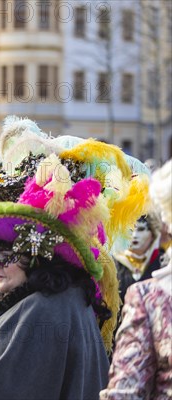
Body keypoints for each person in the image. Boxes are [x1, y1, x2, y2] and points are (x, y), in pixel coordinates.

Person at [0, 116, 152, 399]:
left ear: (37, 254)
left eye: (8, 255)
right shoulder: (65, 299)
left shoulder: (43, 311)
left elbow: (2, 389)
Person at [101, 159, 172, 399]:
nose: (135, 237)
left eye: (141, 230)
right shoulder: (119, 268)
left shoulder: (157, 277)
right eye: (132, 229)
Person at [113, 213, 162, 301]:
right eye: (131, 230)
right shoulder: (114, 264)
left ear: (153, 234)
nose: (134, 235)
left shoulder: (163, 261)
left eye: (141, 229)